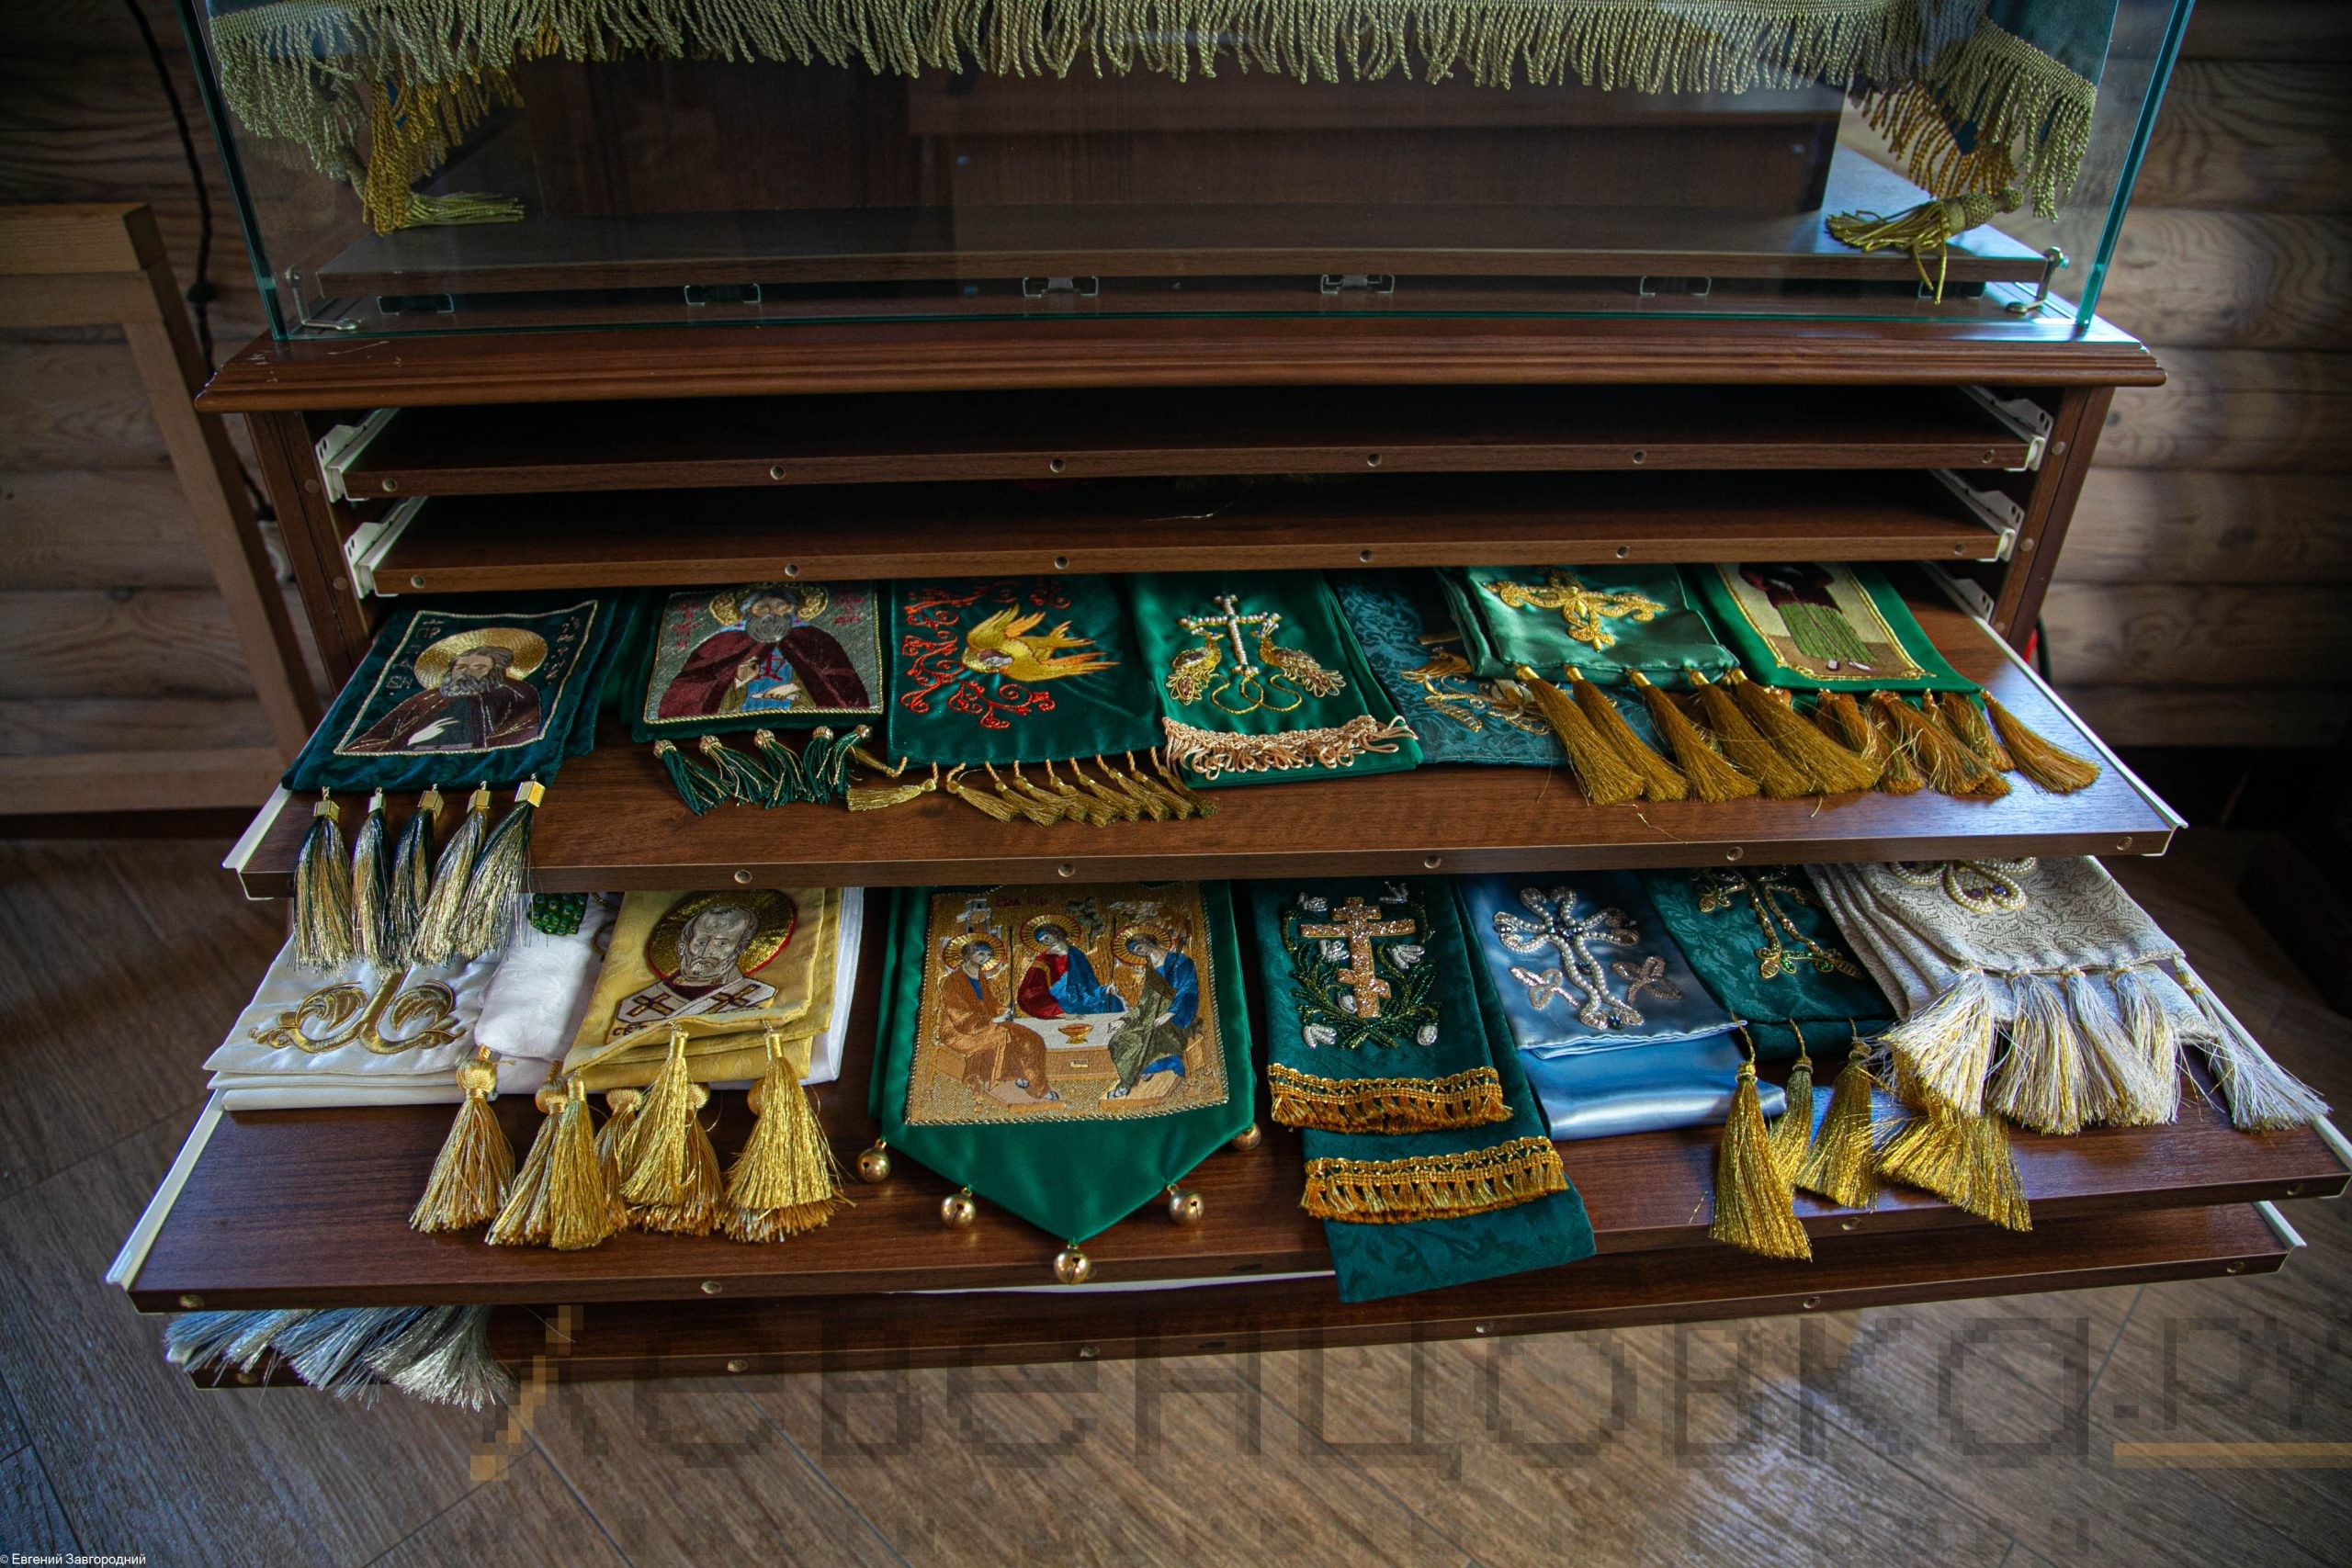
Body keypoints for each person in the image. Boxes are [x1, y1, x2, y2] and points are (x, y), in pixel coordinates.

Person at [656, 589, 869, 718]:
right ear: (749, 612)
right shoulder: (723, 643)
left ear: (792, 609)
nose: (771, 612)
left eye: (780, 605)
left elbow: (843, 682)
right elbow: (687, 689)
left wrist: (798, 687)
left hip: (802, 715)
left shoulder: (815, 639)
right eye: (762, 607)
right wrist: (736, 680)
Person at [609, 901, 777, 1039]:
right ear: (682, 947)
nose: (706, 952)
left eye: (722, 943)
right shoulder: (635, 1005)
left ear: (741, 948)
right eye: (701, 942)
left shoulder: (759, 995)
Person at [346, 643, 542, 752]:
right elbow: (363, 747)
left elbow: (524, 732)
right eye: (460, 667)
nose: (466, 672)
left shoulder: (514, 695)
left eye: (479, 667)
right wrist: (411, 738)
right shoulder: (425, 701)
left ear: (495, 671)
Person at [936, 939, 1056, 1102]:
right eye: (981, 953)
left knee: (1032, 1038)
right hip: (960, 1031)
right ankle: (1033, 1085)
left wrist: (1003, 1011)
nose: (984, 958)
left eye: (987, 955)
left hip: (987, 1023)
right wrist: (991, 1020)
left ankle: (1030, 1079)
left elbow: (991, 1004)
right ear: (969, 955)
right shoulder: (952, 981)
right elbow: (959, 1014)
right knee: (1005, 1035)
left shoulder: (980, 978)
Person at [1104, 932, 1199, 1097]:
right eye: (1135, 951)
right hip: (1150, 1014)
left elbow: (1187, 990)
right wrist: (1123, 1020)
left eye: (1139, 947)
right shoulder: (1151, 970)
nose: (1139, 952)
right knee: (1118, 1039)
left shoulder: (1181, 962)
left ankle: (1127, 1083)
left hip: (1179, 1012)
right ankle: (1142, 1070)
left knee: (1152, 1035)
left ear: (1148, 941)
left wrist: (1170, 1012)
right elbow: (1144, 1002)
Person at [1016, 923, 1125, 1018]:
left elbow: (1089, 980)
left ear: (1055, 933)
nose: (1046, 942)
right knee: (1077, 1007)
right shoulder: (1043, 959)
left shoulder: (1076, 953)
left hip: (1082, 994)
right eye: (1042, 941)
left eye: (1047, 937)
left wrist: (1103, 990)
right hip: (1061, 997)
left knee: (1111, 1001)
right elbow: (1030, 987)